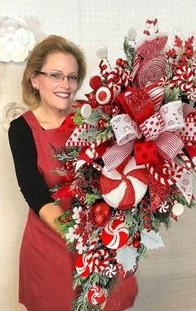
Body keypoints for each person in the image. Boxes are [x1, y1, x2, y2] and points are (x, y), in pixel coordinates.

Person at [8, 35, 138, 311]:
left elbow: (120, 166)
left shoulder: (92, 115)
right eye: (55, 75)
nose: (65, 85)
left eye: (72, 76)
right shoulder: (21, 130)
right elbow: (35, 193)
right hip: (51, 246)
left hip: (103, 238)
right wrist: (81, 238)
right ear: (34, 78)